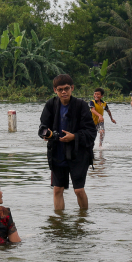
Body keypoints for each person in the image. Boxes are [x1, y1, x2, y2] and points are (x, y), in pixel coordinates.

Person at [39, 74, 96, 211]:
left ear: (72, 88)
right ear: (55, 90)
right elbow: (42, 127)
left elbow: (91, 132)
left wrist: (75, 136)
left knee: (78, 190)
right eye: (60, 89)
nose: (63, 92)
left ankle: (83, 219)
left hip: (78, 154)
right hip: (57, 154)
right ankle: (59, 223)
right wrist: (46, 135)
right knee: (57, 190)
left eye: (66, 88)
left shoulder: (81, 106)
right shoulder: (51, 105)